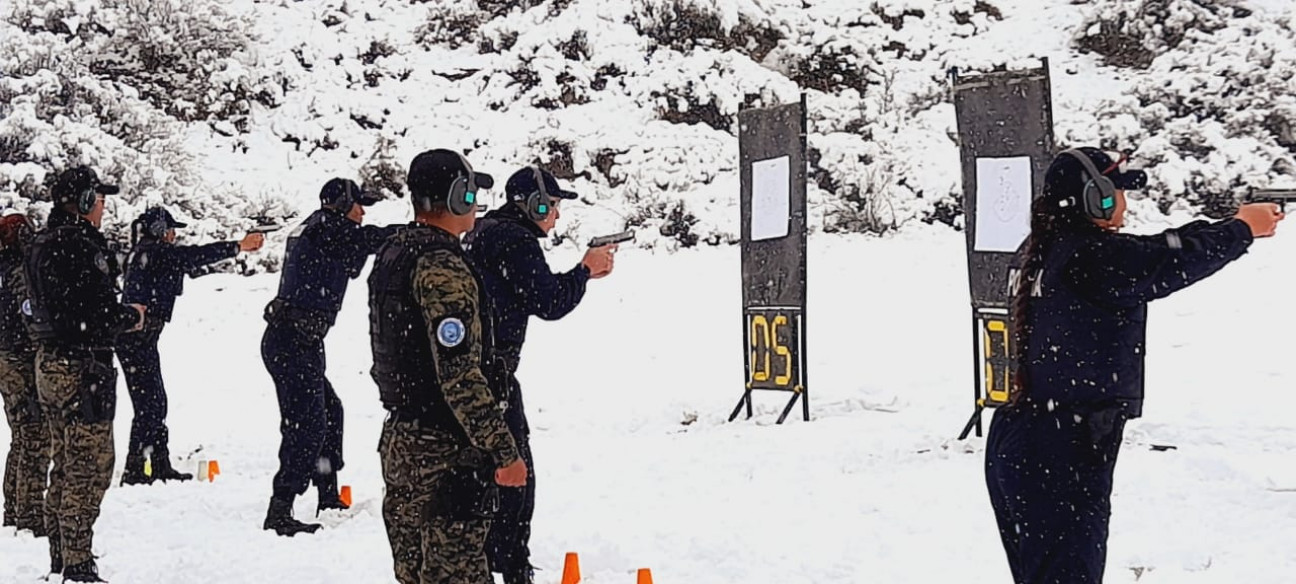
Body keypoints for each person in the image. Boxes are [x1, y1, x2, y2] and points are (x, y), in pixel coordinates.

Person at [983, 147, 1284, 584]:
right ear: (1096, 198)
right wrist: (1240, 231)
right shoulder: (1091, 258)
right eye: (1118, 194)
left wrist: (1231, 227)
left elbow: (1154, 250)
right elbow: (1168, 259)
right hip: (1060, 447)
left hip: (1028, 436)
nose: (1124, 204)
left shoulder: (1048, 250)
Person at [369, 148, 527, 584]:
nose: (477, 202)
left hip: (402, 439)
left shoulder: (395, 251)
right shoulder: (441, 266)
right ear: (458, 196)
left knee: (415, 573)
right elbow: (459, 376)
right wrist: (503, 450)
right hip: (443, 450)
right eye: (472, 191)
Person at [462, 166, 614, 583]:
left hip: (473, 372)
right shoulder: (516, 240)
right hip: (492, 376)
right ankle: (511, 567)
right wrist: (584, 271)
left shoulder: (484, 231)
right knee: (515, 477)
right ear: (535, 205)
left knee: (486, 475)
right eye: (554, 206)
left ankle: (490, 560)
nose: (557, 216)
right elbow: (549, 302)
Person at [25, 166, 147, 582]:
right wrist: (128, 315)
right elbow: (90, 312)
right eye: (97, 199)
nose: (103, 206)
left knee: (64, 462)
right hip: (80, 365)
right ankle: (76, 563)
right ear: (80, 203)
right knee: (89, 466)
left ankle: (63, 556)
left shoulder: (43, 242)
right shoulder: (77, 245)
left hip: (51, 362)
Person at [261, 178, 395, 536]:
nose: (362, 212)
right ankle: (280, 509)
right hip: (292, 340)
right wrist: (415, 231)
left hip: (296, 339)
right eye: (358, 205)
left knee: (328, 412)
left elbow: (357, 247)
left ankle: (327, 493)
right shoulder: (326, 227)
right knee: (307, 424)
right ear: (341, 205)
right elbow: (369, 239)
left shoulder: (321, 228)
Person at [117, 206, 266, 485]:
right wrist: (238, 246)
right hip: (137, 338)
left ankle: (156, 463)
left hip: (139, 338)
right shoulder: (157, 251)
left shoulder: (145, 251)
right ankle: (137, 468)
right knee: (149, 403)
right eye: (171, 230)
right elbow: (195, 256)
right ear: (161, 231)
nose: (174, 236)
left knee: (152, 402)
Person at [0, 212, 49, 537]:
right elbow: (29, 311)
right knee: (34, 434)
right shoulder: (18, 270)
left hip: (6, 358)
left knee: (21, 434)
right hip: (19, 356)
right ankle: (29, 513)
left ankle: (14, 509)